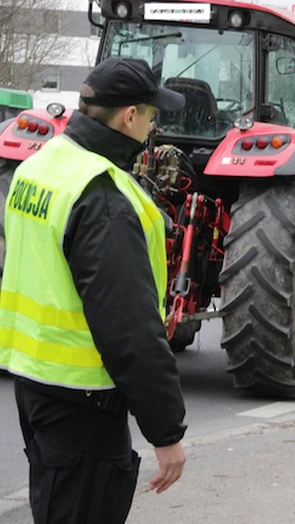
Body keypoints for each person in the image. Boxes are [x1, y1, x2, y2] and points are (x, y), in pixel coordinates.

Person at [0, 57, 189, 524]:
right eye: (151, 114)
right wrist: (165, 433)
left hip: (35, 383)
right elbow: (130, 331)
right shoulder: (103, 197)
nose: (153, 125)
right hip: (83, 402)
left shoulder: (39, 167)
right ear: (130, 116)